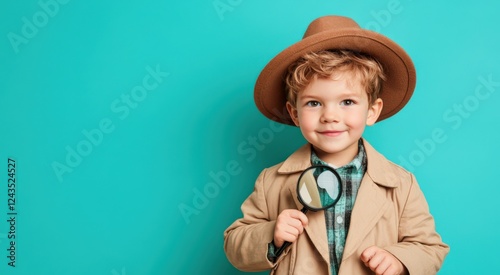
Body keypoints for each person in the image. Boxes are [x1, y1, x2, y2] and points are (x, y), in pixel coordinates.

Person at [223, 15, 449, 275]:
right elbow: (234, 244)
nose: (330, 116)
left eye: (347, 102)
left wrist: (398, 259)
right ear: (294, 113)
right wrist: (270, 233)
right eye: (314, 103)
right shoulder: (270, 182)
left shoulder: (401, 185)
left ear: (372, 111)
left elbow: (430, 248)